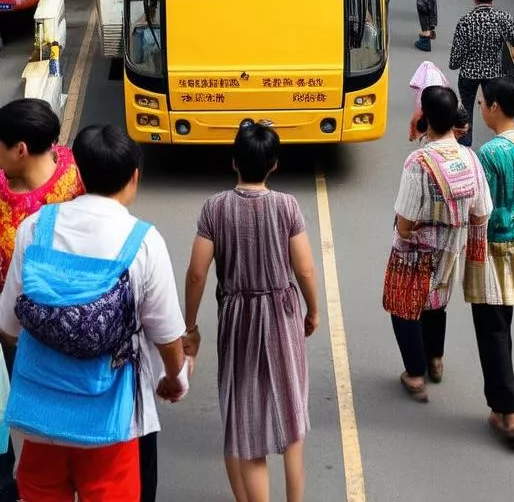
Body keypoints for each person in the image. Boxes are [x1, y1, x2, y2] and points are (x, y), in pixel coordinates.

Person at [0, 125, 187, 502]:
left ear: (80, 173)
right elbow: (167, 335)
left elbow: (9, 327)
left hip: (40, 418)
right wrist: (174, 377)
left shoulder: (34, 229)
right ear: (134, 177)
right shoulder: (143, 242)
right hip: (110, 423)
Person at [183, 123, 318, 502]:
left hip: (237, 316)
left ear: (233, 163)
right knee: (291, 420)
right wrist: (313, 311)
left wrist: (190, 327)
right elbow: (304, 269)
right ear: (273, 165)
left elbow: (197, 273)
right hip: (281, 312)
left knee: (244, 422)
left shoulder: (215, 208)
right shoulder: (286, 206)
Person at [0, 100, 84, 502]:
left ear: (19, 149)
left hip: (61, 327)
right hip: (17, 331)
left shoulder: (74, 180)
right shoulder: (66, 169)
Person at [387, 86, 492, 403]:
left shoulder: (418, 162)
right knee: (435, 303)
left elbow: (404, 222)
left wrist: (412, 229)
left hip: (415, 253)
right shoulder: (470, 158)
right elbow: (481, 212)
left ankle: (416, 375)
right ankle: (435, 361)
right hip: (450, 251)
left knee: (404, 307)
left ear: (426, 119)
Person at [466, 79, 514, 450]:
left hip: (491, 248)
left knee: (490, 329)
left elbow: (482, 208)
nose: (479, 108)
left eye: (481, 103)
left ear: (494, 107)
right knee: (502, 324)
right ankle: (499, 405)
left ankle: (511, 412)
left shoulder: (489, 155)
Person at [449, 0, 514, 147]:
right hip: (494, 73)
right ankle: (501, 141)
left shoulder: (465, 21)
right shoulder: (502, 17)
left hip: (469, 73)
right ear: (492, 0)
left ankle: (465, 145)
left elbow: (456, 53)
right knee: (497, 108)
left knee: (466, 108)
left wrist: (455, 64)